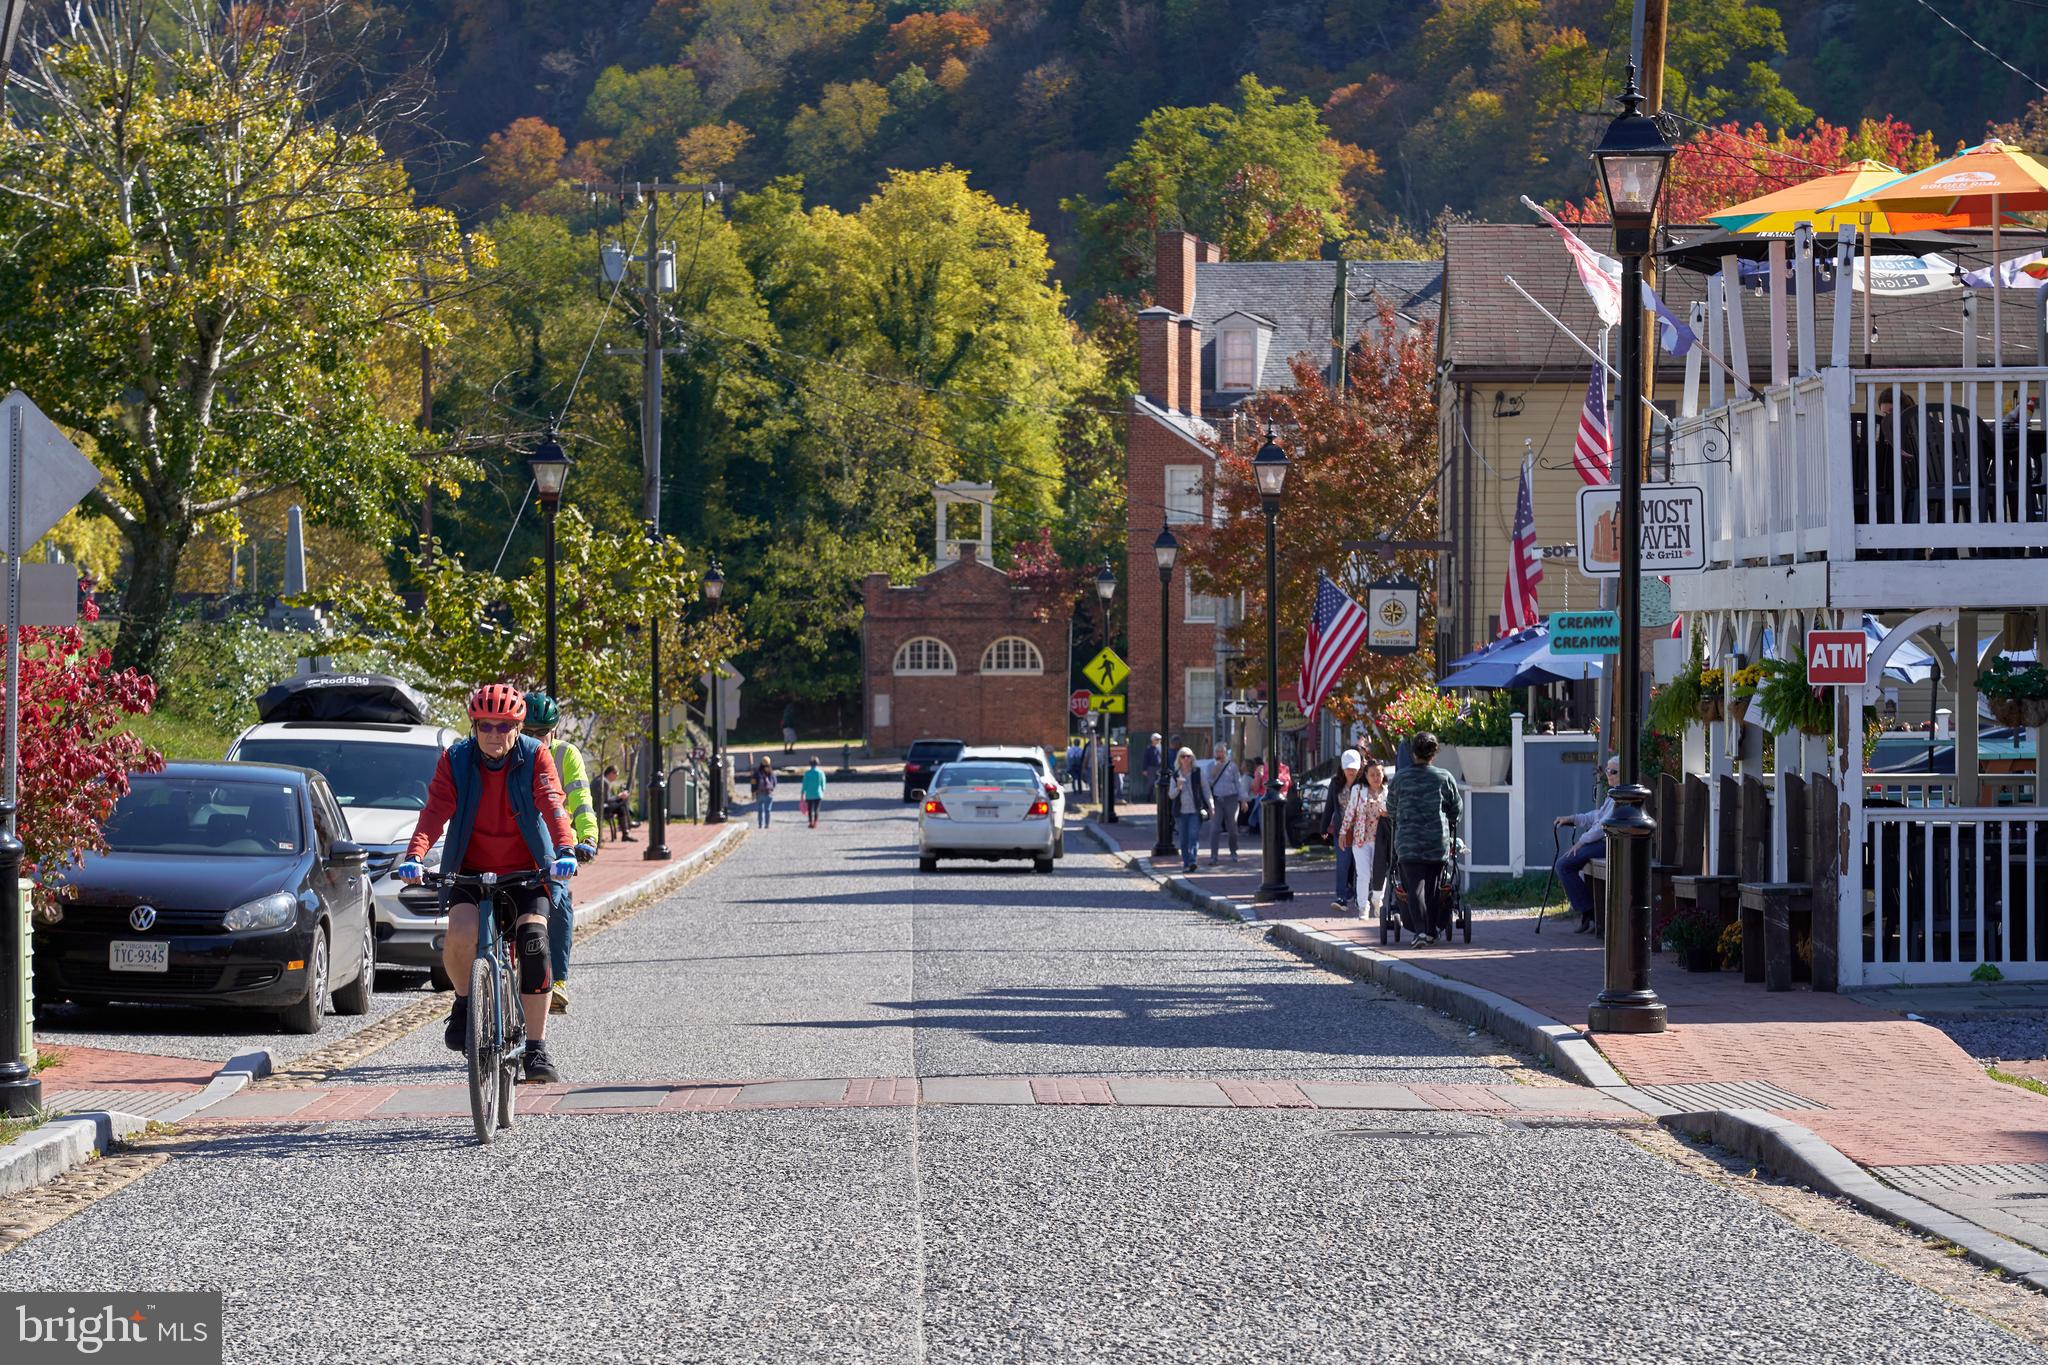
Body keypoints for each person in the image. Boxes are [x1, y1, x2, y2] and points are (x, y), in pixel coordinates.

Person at [397, 684, 578, 1084]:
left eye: (504, 726)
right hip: (470, 869)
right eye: (486, 726)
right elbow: (434, 812)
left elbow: (552, 802)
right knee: (461, 933)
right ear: (474, 727)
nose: (494, 734)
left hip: (528, 871)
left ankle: (536, 1047)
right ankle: (464, 1002)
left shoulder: (536, 755)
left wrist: (565, 850)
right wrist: (414, 856)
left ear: (518, 728)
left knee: (535, 941)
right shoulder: (456, 760)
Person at [523, 692, 598, 1016]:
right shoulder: (510, 753)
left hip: (557, 841)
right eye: (529, 732)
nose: (536, 738)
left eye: (542, 732)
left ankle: (558, 981)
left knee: (560, 900)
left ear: (553, 730)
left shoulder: (566, 754)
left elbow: (580, 800)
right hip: (518, 840)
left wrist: (588, 838)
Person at [1386, 730, 1462, 946]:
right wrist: (1450, 819)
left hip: (1408, 843)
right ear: (1434, 754)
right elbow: (1456, 808)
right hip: (1436, 842)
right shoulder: (1444, 777)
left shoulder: (1400, 778)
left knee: (1414, 888)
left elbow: (1391, 808)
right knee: (1433, 888)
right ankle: (1430, 931)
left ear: (1413, 753)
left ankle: (1420, 931)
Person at [1555, 755, 1620, 934]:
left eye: (1613, 771)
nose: (1609, 774)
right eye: (1607, 770)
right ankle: (1590, 913)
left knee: (1564, 865)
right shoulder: (1613, 795)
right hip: (1602, 843)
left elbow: (1603, 826)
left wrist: (1581, 842)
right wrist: (1572, 818)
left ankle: (1590, 913)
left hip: (1609, 844)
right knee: (1565, 865)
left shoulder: (1621, 797)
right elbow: (1596, 816)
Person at [1337, 756, 1391, 918]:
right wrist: (1343, 832)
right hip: (1361, 839)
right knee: (1363, 874)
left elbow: (1397, 812)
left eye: (1378, 774)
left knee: (1380, 872)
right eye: (1372, 774)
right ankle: (1363, 907)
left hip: (1381, 840)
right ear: (1366, 776)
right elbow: (1350, 811)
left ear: (1383, 774)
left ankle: (1377, 900)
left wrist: (1388, 813)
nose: (1376, 778)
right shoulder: (1358, 790)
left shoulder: (1388, 791)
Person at [1326, 750, 1363, 911]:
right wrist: (1323, 827)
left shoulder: (1363, 783)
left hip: (1361, 830)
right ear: (1342, 767)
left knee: (1360, 865)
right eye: (1348, 768)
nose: (1351, 771)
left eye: (1354, 768)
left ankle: (1360, 896)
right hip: (1342, 830)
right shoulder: (1336, 783)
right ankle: (1341, 897)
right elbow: (1329, 806)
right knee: (1343, 863)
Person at [1167, 747, 1211, 875]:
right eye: (1183, 756)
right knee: (1183, 839)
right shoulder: (1175, 775)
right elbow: (1171, 795)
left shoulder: (1198, 772)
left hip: (1195, 810)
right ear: (1179, 759)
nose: (1186, 759)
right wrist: (1178, 787)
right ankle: (1186, 863)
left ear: (1192, 758)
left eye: (1188, 756)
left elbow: (1206, 789)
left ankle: (1192, 861)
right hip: (1180, 812)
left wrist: (1211, 805)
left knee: (1193, 836)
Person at [1207, 742, 1242, 865]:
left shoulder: (1232, 766)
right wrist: (1214, 772)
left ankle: (1233, 851)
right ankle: (1214, 856)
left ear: (1226, 753)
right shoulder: (1211, 765)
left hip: (1231, 798)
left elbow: (1238, 783)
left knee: (1232, 827)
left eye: (1221, 751)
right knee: (1215, 828)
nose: (1219, 754)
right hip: (1217, 799)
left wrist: (1243, 800)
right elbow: (1207, 783)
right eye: (1217, 752)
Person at [597, 763, 633, 842]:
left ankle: (626, 830)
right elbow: (606, 799)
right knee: (622, 804)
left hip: (599, 806)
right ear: (611, 773)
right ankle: (627, 829)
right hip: (600, 808)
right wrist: (619, 796)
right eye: (616, 775)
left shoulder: (601, 779)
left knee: (621, 806)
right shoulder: (604, 782)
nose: (616, 777)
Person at [749, 756, 777, 828]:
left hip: (759, 793)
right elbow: (774, 783)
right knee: (768, 810)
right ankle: (767, 824)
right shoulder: (771, 772)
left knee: (760, 810)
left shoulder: (757, 772)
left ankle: (760, 824)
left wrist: (753, 792)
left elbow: (753, 783)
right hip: (769, 793)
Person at [800, 757, 827, 828]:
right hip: (818, 794)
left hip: (809, 794)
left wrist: (802, 793)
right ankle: (815, 822)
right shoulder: (820, 772)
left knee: (809, 809)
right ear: (817, 764)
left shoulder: (807, 773)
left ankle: (810, 822)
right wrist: (822, 790)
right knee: (816, 809)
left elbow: (804, 784)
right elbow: (823, 784)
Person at [1140, 732, 1164, 804]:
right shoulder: (1149, 749)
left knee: (1160, 783)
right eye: (1157, 739)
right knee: (1151, 784)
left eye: (1159, 739)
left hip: (1159, 768)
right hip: (1151, 768)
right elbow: (1145, 760)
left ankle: (1159, 799)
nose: (1159, 741)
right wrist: (1145, 769)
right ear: (1153, 740)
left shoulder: (1161, 748)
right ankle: (1149, 799)